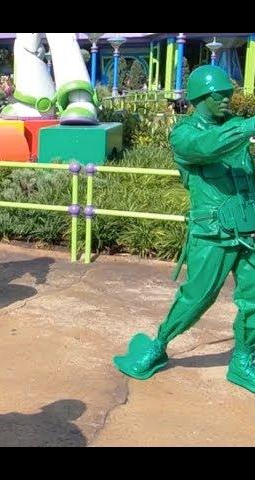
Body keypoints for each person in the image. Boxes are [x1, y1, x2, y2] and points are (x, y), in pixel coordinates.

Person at [113, 65, 255, 394]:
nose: (226, 100)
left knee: (253, 302)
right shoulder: (184, 134)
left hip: (248, 234)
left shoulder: (234, 127)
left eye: (229, 94)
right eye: (219, 95)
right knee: (197, 298)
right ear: (200, 98)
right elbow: (208, 147)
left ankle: (243, 359)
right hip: (212, 236)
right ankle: (158, 344)